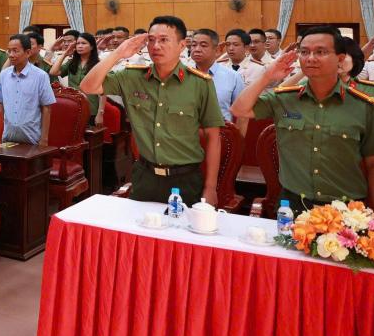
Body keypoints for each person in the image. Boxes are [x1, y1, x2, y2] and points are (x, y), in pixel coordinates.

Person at [80, 16, 223, 205]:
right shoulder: (132, 77)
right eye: (151, 40)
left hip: (185, 179)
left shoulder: (200, 84)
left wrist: (210, 187)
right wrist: (118, 53)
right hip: (145, 176)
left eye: (164, 40)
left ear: (182, 46)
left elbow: (213, 137)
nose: (156, 46)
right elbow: (88, 86)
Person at [232, 26, 374, 212]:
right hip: (294, 205)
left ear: (340, 59)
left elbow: (373, 164)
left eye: (321, 52)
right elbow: (239, 109)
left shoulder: (364, 106)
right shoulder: (285, 99)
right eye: (305, 52)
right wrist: (267, 76)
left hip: (347, 209)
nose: (311, 58)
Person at [0, 34, 55, 146]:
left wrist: (44, 139)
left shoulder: (40, 76)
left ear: (28, 52)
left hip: (32, 138)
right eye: (9, 51)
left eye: (15, 51)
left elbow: (47, 108)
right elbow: (0, 104)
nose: (11, 55)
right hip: (7, 137)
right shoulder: (4, 74)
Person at [188, 29, 245, 123]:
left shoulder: (233, 77)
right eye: (193, 45)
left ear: (217, 50)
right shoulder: (183, 75)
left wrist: (238, 132)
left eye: (203, 45)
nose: (197, 49)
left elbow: (242, 113)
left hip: (222, 130)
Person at [50, 32, 105, 120]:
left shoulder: (99, 64)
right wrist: (65, 53)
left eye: (83, 43)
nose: (80, 46)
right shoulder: (72, 62)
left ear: (92, 47)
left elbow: (103, 92)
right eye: (78, 44)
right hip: (72, 106)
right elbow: (53, 72)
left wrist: (100, 113)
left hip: (91, 108)